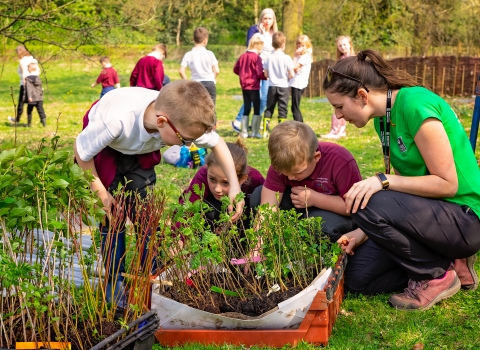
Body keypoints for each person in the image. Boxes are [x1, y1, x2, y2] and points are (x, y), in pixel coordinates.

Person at [323, 49, 480, 311]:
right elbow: (408, 192)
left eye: (339, 106)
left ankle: (435, 275)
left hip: (464, 217)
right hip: (432, 215)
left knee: (367, 200)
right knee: (357, 278)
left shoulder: (414, 104)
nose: (338, 116)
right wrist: (365, 231)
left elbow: (447, 184)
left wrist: (383, 180)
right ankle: (446, 261)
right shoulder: (382, 118)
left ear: (362, 96)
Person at [74, 80, 245, 308]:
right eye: (185, 141)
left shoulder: (180, 117)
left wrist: (234, 185)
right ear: (162, 122)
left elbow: (218, 144)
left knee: (146, 214)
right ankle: (114, 283)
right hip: (106, 149)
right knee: (112, 217)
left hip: (138, 150)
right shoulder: (115, 121)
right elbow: (82, 153)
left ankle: (151, 274)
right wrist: (102, 195)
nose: (188, 145)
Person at [250, 121, 362, 243]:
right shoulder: (281, 164)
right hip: (299, 207)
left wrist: (315, 199)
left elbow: (354, 208)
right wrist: (257, 245)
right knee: (258, 197)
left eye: (297, 172)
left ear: (316, 157)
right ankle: (284, 241)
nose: (291, 178)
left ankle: (330, 247)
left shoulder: (340, 161)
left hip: (334, 212)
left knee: (318, 227)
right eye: (285, 174)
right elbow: (267, 208)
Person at [180, 140, 265, 230]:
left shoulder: (255, 178)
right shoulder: (203, 174)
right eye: (212, 179)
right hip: (213, 218)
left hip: (245, 224)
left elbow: (266, 205)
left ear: (242, 179)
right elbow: (187, 207)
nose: (217, 189)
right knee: (211, 208)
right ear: (207, 169)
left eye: (225, 182)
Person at [231, 8, 278, 133]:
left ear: (273, 20)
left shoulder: (274, 35)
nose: (267, 21)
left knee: (263, 98)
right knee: (252, 96)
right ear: (261, 19)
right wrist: (261, 34)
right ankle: (238, 120)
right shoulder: (255, 31)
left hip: (267, 70)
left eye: (270, 18)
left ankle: (255, 125)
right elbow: (252, 46)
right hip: (254, 69)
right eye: (265, 18)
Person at [321, 36, 355, 139]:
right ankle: (337, 130)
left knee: (341, 108)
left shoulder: (354, 59)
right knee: (339, 108)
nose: (342, 47)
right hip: (339, 86)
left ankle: (338, 131)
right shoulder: (340, 59)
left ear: (349, 45)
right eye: (340, 45)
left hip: (348, 87)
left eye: (344, 44)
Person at [233, 33, 266, 138]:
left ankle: (244, 132)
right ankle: (255, 132)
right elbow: (259, 73)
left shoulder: (243, 56)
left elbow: (235, 69)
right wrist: (266, 76)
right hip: (254, 86)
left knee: (247, 107)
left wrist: (243, 74)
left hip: (244, 86)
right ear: (259, 46)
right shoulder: (257, 58)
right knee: (256, 108)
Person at [262, 32, 295, 137]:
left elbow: (266, 74)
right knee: (282, 109)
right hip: (283, 86)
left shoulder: (268, 58)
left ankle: (265, 131)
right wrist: (287, 77)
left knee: (269, 108)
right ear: (283, 44)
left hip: (271, 86)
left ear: (272, 44)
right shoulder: (287, 58)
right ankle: (281, 133)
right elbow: (292, 74)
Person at [179, 27, 219, 109]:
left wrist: (187, 82)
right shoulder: (210, 54)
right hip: (209, 83)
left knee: (196, 109)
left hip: (195, 84)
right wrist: (213, 79)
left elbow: (181, 71)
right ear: (206, 40)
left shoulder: (188, 54)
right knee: (211, 109)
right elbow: (217, 71)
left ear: (193, 39)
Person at [8, 45, 38, 124]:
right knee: (35, 102)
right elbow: (38, 71)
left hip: (25, 83)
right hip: (35, 83)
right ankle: (41, 120)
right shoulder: (33, 59)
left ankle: (17, 119)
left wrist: (26, 86)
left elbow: (24, 73)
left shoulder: (22, 61)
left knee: (21, 102)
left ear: (19, 52)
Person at [289, 35, 313, 123]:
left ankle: (300, 125)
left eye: (303, 46)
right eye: (298, 46)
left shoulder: (305, 56)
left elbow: (294, 67)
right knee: (294, 107)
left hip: (299, 84)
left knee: (295, 107)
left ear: (307, 46)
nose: (300, 48)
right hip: (295, 82)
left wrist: (294, 56)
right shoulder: (301, 56)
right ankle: (300, 124)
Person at [24, 62, 47, 127]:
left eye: (28, 68)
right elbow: (41, 88)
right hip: (39, 98)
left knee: (29, 111)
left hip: (32, 98)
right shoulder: (38, 78)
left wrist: (29, 97)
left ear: (30, 69)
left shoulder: (28, 78)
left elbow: (29, 88)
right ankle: (44, 123)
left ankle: (29, 124)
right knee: (40, 110)